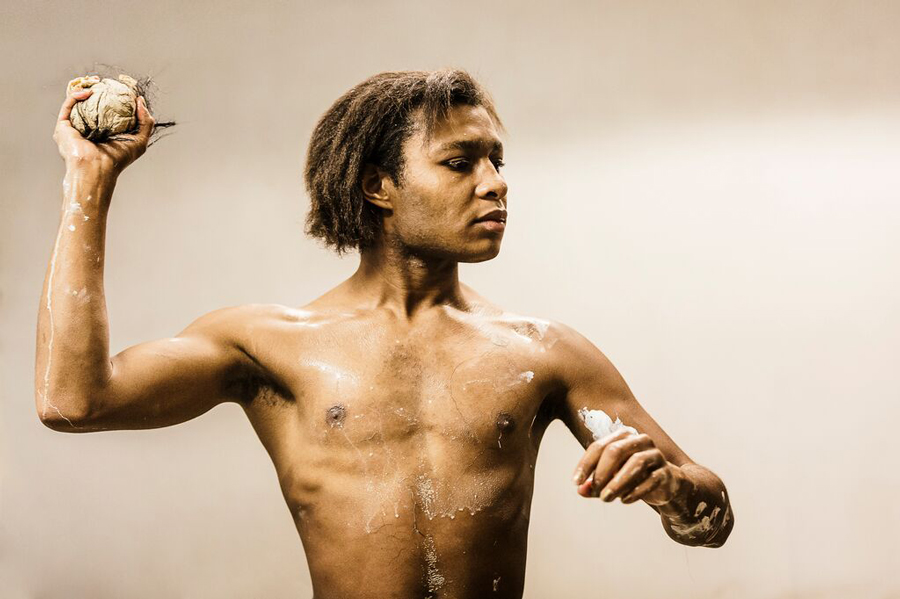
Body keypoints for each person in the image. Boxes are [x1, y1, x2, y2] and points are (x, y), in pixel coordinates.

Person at [39, 69, 733, 598]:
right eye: (460, 162)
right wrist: (89, 181)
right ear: (378, 186)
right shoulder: (270, 345)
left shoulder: (543, 353)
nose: (495, 184)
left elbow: (712, 517)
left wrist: (672, 490)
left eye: (497, 161)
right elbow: (73, 400)